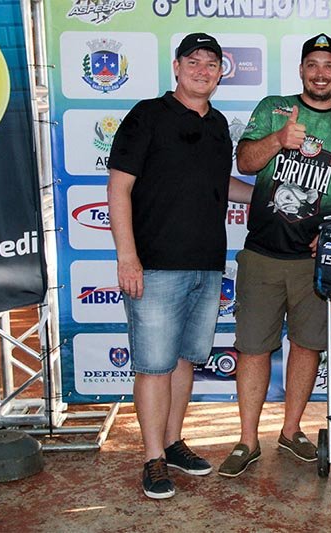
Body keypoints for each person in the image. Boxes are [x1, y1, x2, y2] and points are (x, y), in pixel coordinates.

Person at [107, 33, 253, 499]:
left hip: (207, 266)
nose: (202, 70)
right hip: (154, 266)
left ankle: (172, 443)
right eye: (194, 61)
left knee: (185, 360)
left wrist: (265, 198)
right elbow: (118, 188)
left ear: (220, 73)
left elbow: (219, 183)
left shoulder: (219, 124)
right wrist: (127, 256)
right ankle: (152, 458)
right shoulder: (147, 115)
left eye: (212, 63)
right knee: (153, 366)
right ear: (176, 66)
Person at [218, 34, 331, 477]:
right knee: (252, 348)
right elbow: (245, 162)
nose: (321, 73)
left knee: (307, 346)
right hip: (262, 255)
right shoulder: (274, 108)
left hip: (314, 263)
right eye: (313, 65)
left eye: (329, 66)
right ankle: (247, 440)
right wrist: (279, 139)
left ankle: (290, 431)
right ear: (302, 69)